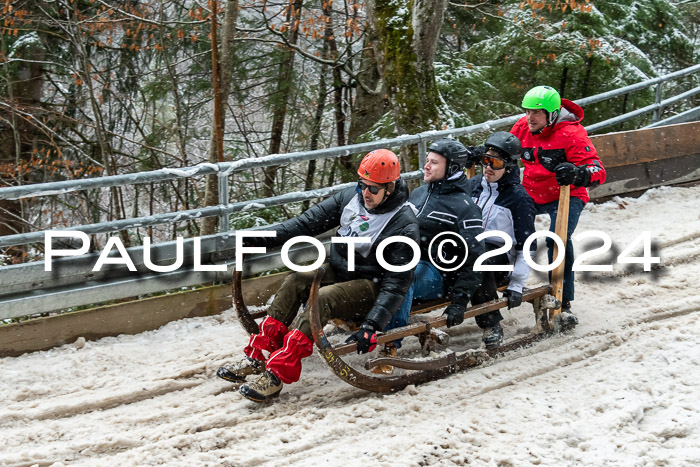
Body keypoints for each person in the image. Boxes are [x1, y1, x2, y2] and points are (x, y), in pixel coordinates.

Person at [217, 149, 419, 402]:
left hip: (372, 284)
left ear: (389, 188)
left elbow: (397, 284)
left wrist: (372, 325)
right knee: (297, 279)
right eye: (362, 185)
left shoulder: (403, 223)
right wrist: (256, 240)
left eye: (373, 189)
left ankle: (277, 375)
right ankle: (258, 355)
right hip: (342, 268)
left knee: (322, 298)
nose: (365, 193)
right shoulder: (351, 199)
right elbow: (303, 225)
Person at [510, 85, 606, 328]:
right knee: (510, 229)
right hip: (532, 191)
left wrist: (577, 173)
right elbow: (504, 150)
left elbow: (598, 171)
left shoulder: (572, 134)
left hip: (567, 193)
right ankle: (504, 284)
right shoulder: (522, 127)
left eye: (537, 113)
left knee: (558, 239)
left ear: (552, 115)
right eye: (527, 111)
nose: (530, 117)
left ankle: (563, 301)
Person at [387, 138, 486, 357]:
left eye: (434, 162)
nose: (426, 166)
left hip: (438, 273)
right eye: (427, 160)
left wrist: (460, 301)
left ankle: (390, 345)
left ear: (451, 167)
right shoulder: (420, 193)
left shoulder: (465, 207)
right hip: (407, 259)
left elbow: (476, 257)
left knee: (403, 277)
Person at [465, 131, 536, 347]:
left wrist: (516, 283)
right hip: (471, 247)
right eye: (485, 160)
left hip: (500, 256)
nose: (488, 167)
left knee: (480, 263)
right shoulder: (473, 186)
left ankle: (491, 323)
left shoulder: (518, 199)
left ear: (509, 166)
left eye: (495, 163)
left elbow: (528, 245)